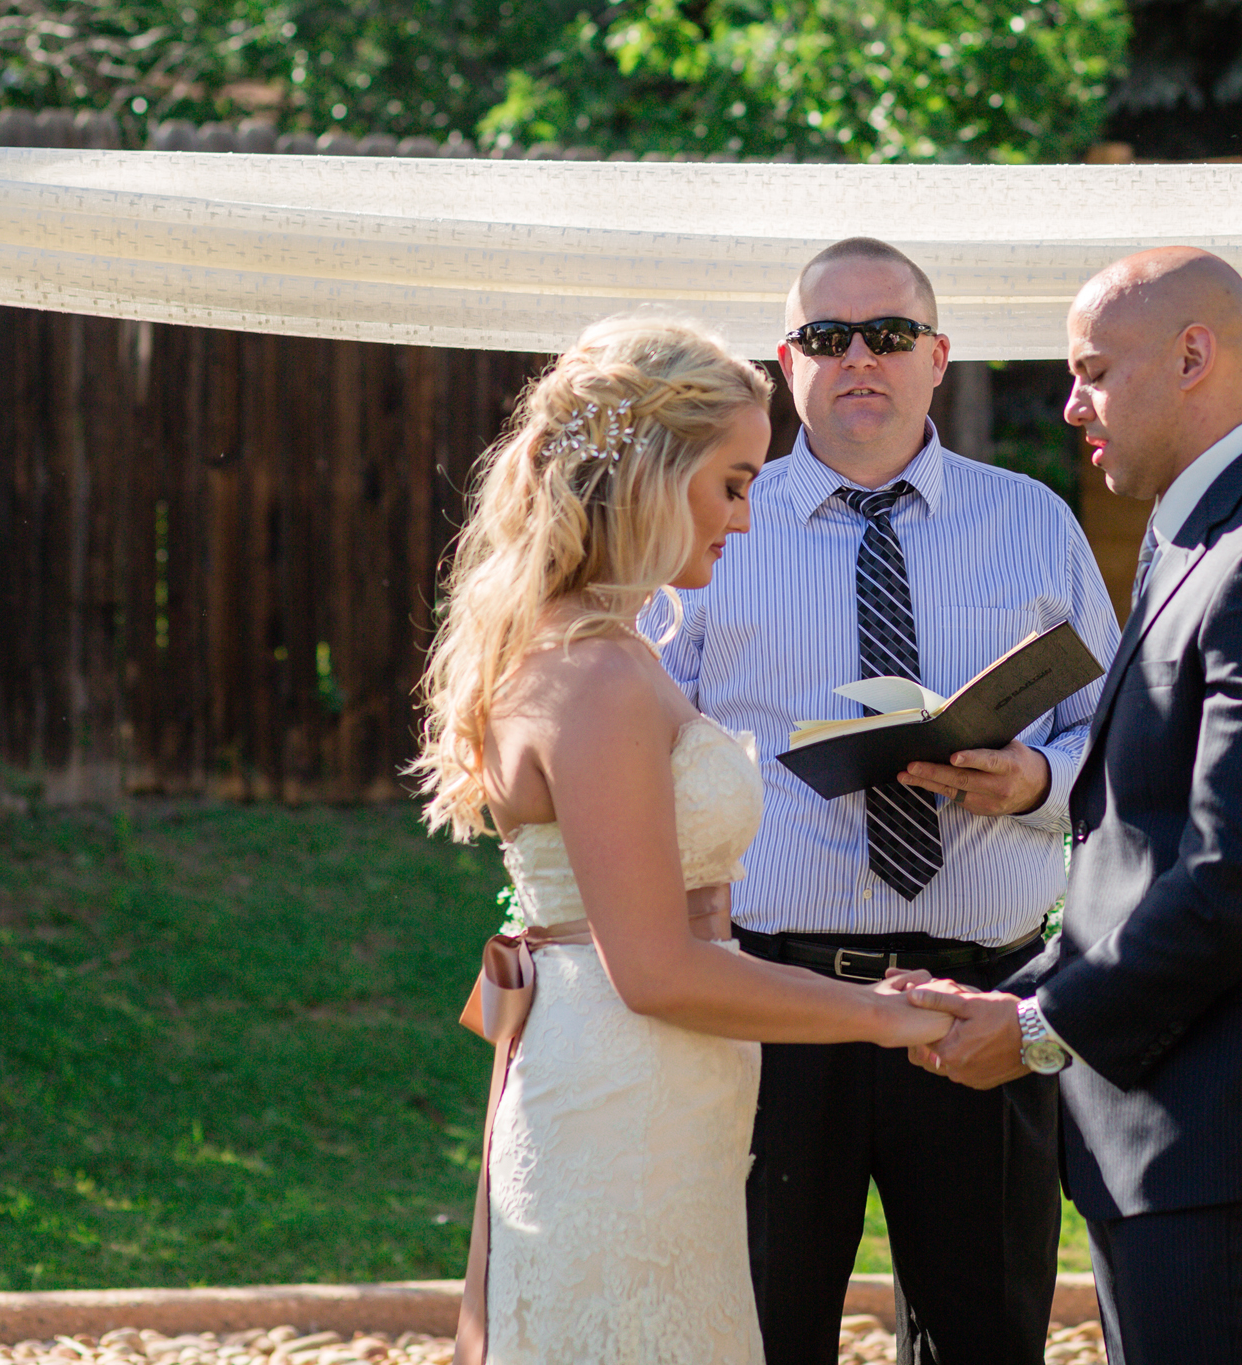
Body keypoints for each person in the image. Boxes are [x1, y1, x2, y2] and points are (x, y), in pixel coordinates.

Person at [904, 248, 1242, 1365]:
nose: (1068, 403)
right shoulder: (1199, 539)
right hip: (1173, 1145)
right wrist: (995, 994)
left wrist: (1039, 1032)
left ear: (1193, 356)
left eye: (1090, 370)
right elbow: (1136, 860)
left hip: (1229, 1139)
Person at [407, 316, 951, 1365]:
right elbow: (653, 970)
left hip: (663, 1095)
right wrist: (884, 1021)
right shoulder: (597, 675)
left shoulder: (614, 648)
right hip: (623, 1098)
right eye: (733, 483)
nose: (745, 520)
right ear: (654, 476)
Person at [653, 238, 1121, 1365]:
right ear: (786, 362)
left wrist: (1035, 778)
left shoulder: (1031, 521)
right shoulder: (713, 528)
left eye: (887, 334)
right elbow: (639, 740)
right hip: (773, 996)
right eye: (826, 337)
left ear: (937, 356)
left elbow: (1116, 733)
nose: (857, 356)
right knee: (762, 1331)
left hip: (981, 1005)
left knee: (986, 1335)